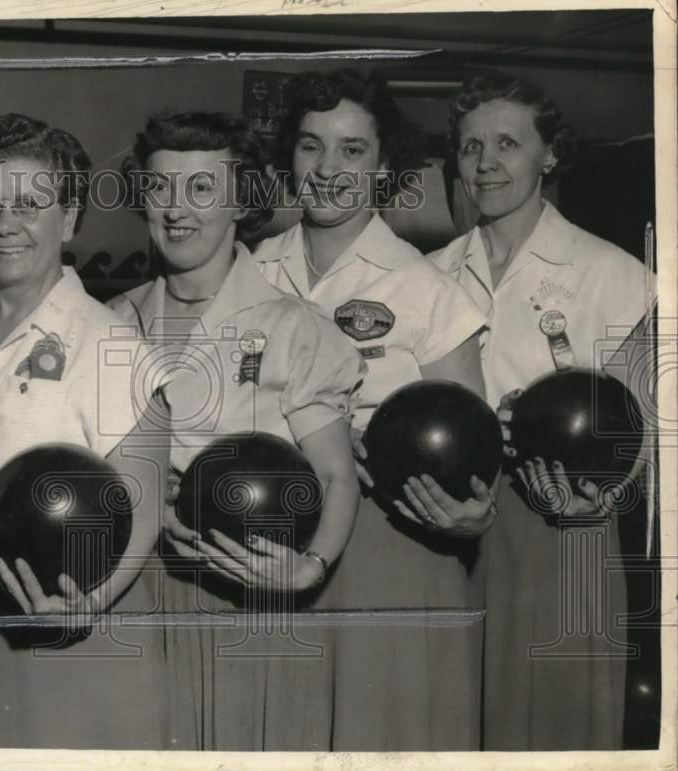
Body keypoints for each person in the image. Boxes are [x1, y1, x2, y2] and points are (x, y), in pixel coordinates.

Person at [252, 68, 495, 750]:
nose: (328, 168)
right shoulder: (249, 273)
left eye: (352, 150)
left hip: (393, 547)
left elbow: (472, 453)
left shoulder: (428, 289)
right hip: (271, 538)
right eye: (309, 146)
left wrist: (476, 510)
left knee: (385, 737)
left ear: (385, 167)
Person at [107, 111, 365, 751]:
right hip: (129, 594)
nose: (177, 210)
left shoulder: (293, 327)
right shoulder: (108, 320)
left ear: (239, 202)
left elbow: (335, 473)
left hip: (248, 598)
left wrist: (310, 568)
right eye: (161, 188)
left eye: (201, 189)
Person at [429, 71, 656, 750]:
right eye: (471, 148)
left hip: (566, 520)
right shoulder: (431, 274)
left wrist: (601, 493)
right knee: (458, 719)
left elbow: (643, 428)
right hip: (452, 518)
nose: (486, 163)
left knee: (555, 727)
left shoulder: (612, 274)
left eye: (507, 144)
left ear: (547, 155)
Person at [0, 112, 169, 750]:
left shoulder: (113, 343)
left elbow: (141, 510)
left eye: (30, 205)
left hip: (76, 613)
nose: (5, 226)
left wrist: (91, 605)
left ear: (70, 219)